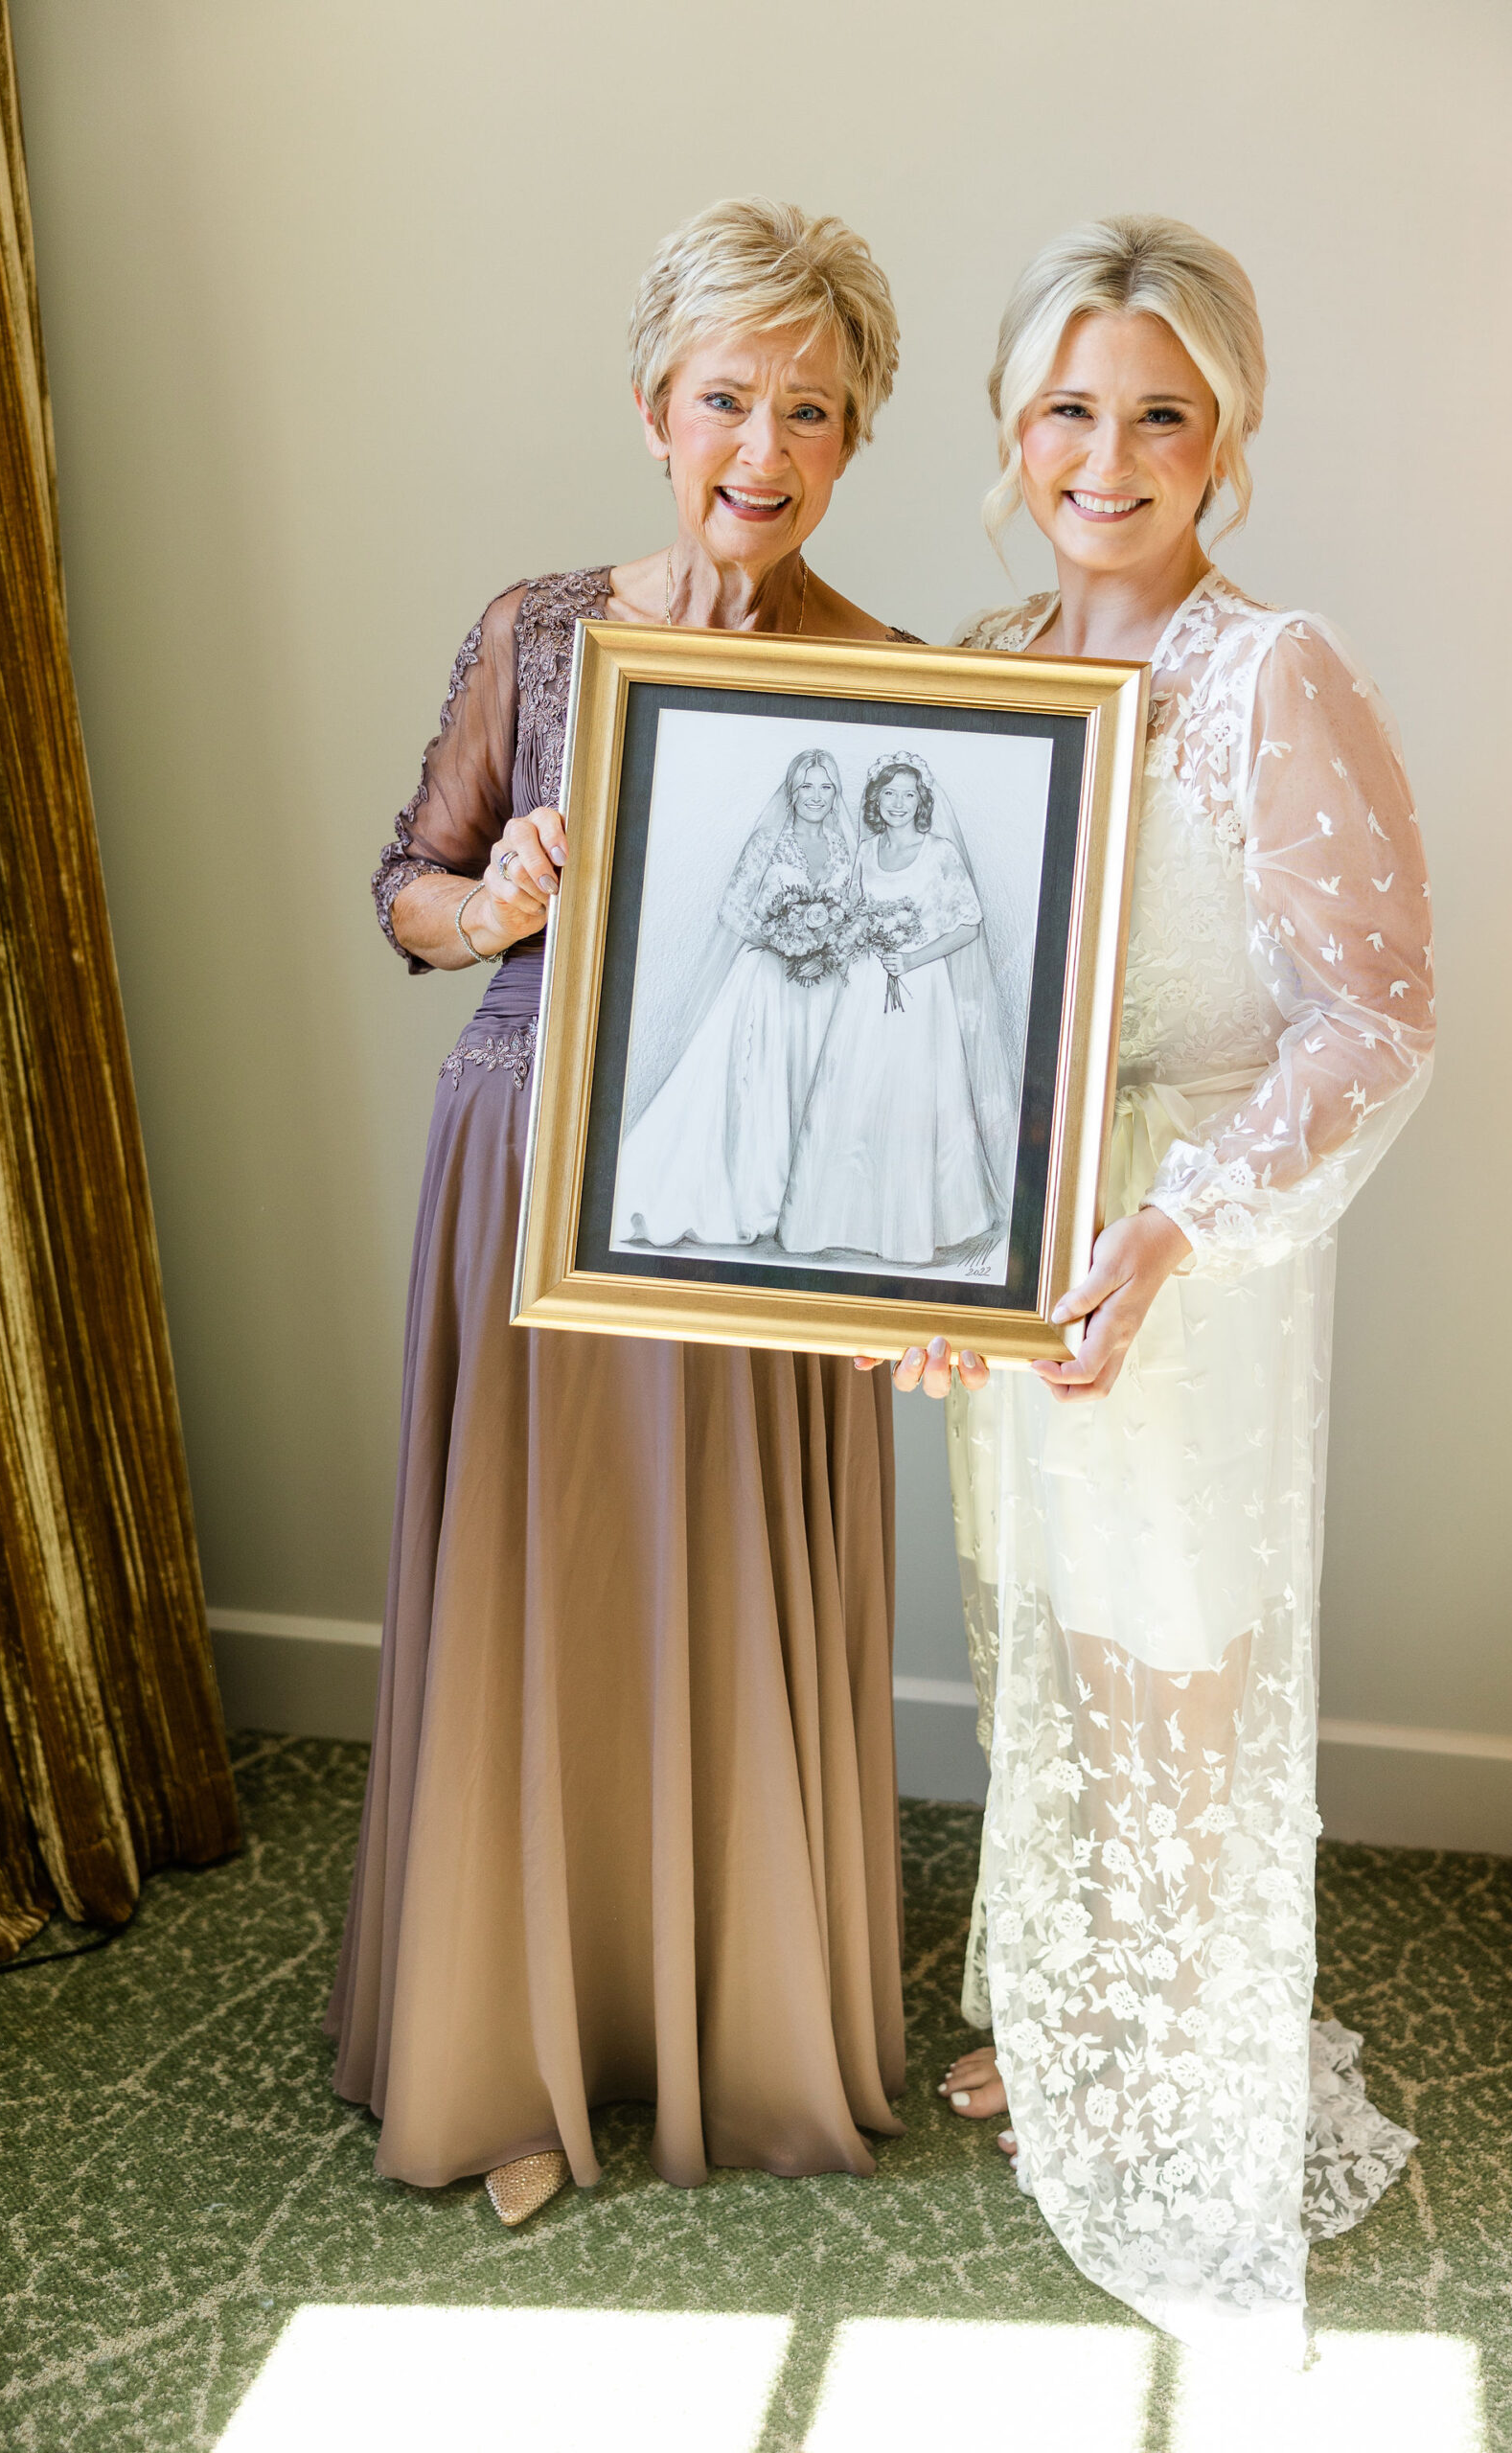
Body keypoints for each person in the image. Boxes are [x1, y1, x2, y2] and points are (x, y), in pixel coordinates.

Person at [329, 198, 919, 2228]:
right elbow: (407, 883)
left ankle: (723, 2023)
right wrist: (499, 901)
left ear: (852, 442)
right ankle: (506, 2036)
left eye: (811, 409)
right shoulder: (542, 628)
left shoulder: (894, 682)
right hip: (534, 1168)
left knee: (719, 1582)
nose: (764, 443)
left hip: (757, 1203)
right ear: (657, 407)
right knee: (540, 1592)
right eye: (727, 396)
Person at [890, 215, 1435, 2358]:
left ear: (1223, 438)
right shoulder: (979, 653)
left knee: (1171, 1644)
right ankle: (1064, 2003)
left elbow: (1370, 1012)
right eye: (1065, 410)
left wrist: (1176, 1215)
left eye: (1156, 415)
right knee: (1034, 1615)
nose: (1103, 454)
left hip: (1185, 1242)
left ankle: (1172, 2059)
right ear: (1010, 432)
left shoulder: (1268, 667)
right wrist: (918, 1239)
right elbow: (935, 1000)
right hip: (1018, 1230)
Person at [611, 748, 858, 1249]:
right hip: (768, 981)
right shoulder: (770, 841)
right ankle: (757, 1197)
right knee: (763, 1084)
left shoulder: (845, 846)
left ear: (836, 794)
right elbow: (733, 909)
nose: (815, 796)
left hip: (820, 984)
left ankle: (809, 1204)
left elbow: (853, 913)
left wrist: (823, 949)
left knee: (817, 1082)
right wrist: (782, 939)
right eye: (806, 786)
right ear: (792, 790)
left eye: (825, 787)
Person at [778, 751, 1014, 1267]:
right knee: (853, 1090)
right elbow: (848, 915)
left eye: (909, 794)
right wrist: (852, 940)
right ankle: (835, 1222)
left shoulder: (940, 853)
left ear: (921, 801)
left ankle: (909, 1231)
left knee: (910, 1096)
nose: (899, 803)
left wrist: (909, 958)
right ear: (875, 800)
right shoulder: (862, 852)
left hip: (920, 989)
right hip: (865, 985)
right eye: (889, 794)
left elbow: (968, 925)